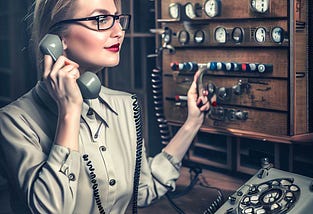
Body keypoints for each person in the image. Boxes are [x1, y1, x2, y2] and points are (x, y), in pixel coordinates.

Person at [0, 0, 210, 213]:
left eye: (117, 18)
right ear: (57, 40)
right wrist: (69, 113)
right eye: (101, 19)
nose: (118, 31)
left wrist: (192, 122)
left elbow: (144, 189)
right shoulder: (13, 122)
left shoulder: (124, 105)